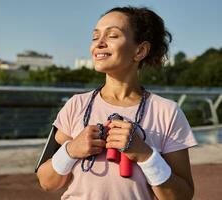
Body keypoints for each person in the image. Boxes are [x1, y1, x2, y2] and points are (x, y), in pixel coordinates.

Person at [36, 6, 197, 200]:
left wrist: (145, 155)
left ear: (140, 51)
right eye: (95, 37)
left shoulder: (167, 112)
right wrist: (71, 150)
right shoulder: (76, 105)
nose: (99, 44)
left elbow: (182, 196)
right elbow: (46, 182)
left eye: (112, 35)